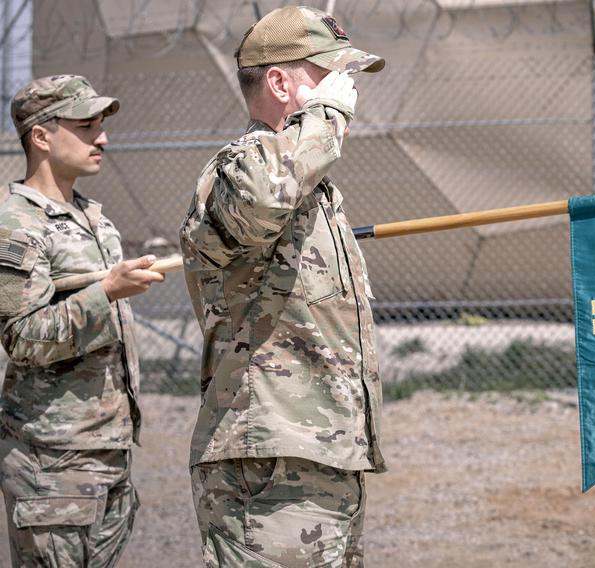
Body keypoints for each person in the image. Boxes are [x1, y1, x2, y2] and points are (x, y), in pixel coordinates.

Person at [179, 6, 386, 566]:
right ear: (280, 82)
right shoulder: (240, 168)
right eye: (330, 76)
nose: (346, 92)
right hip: (267, 461)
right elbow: (261, 200)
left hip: (319, 454)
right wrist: (326, 119)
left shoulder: (308, 185)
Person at [0, 74, 164, 566]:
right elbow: (22, 337)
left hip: (106, 452)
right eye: (86, 125)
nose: (103, 138)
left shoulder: (93, 216)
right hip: (52, 460)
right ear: (42, 137)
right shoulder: (18, 224)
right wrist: (106, 292)